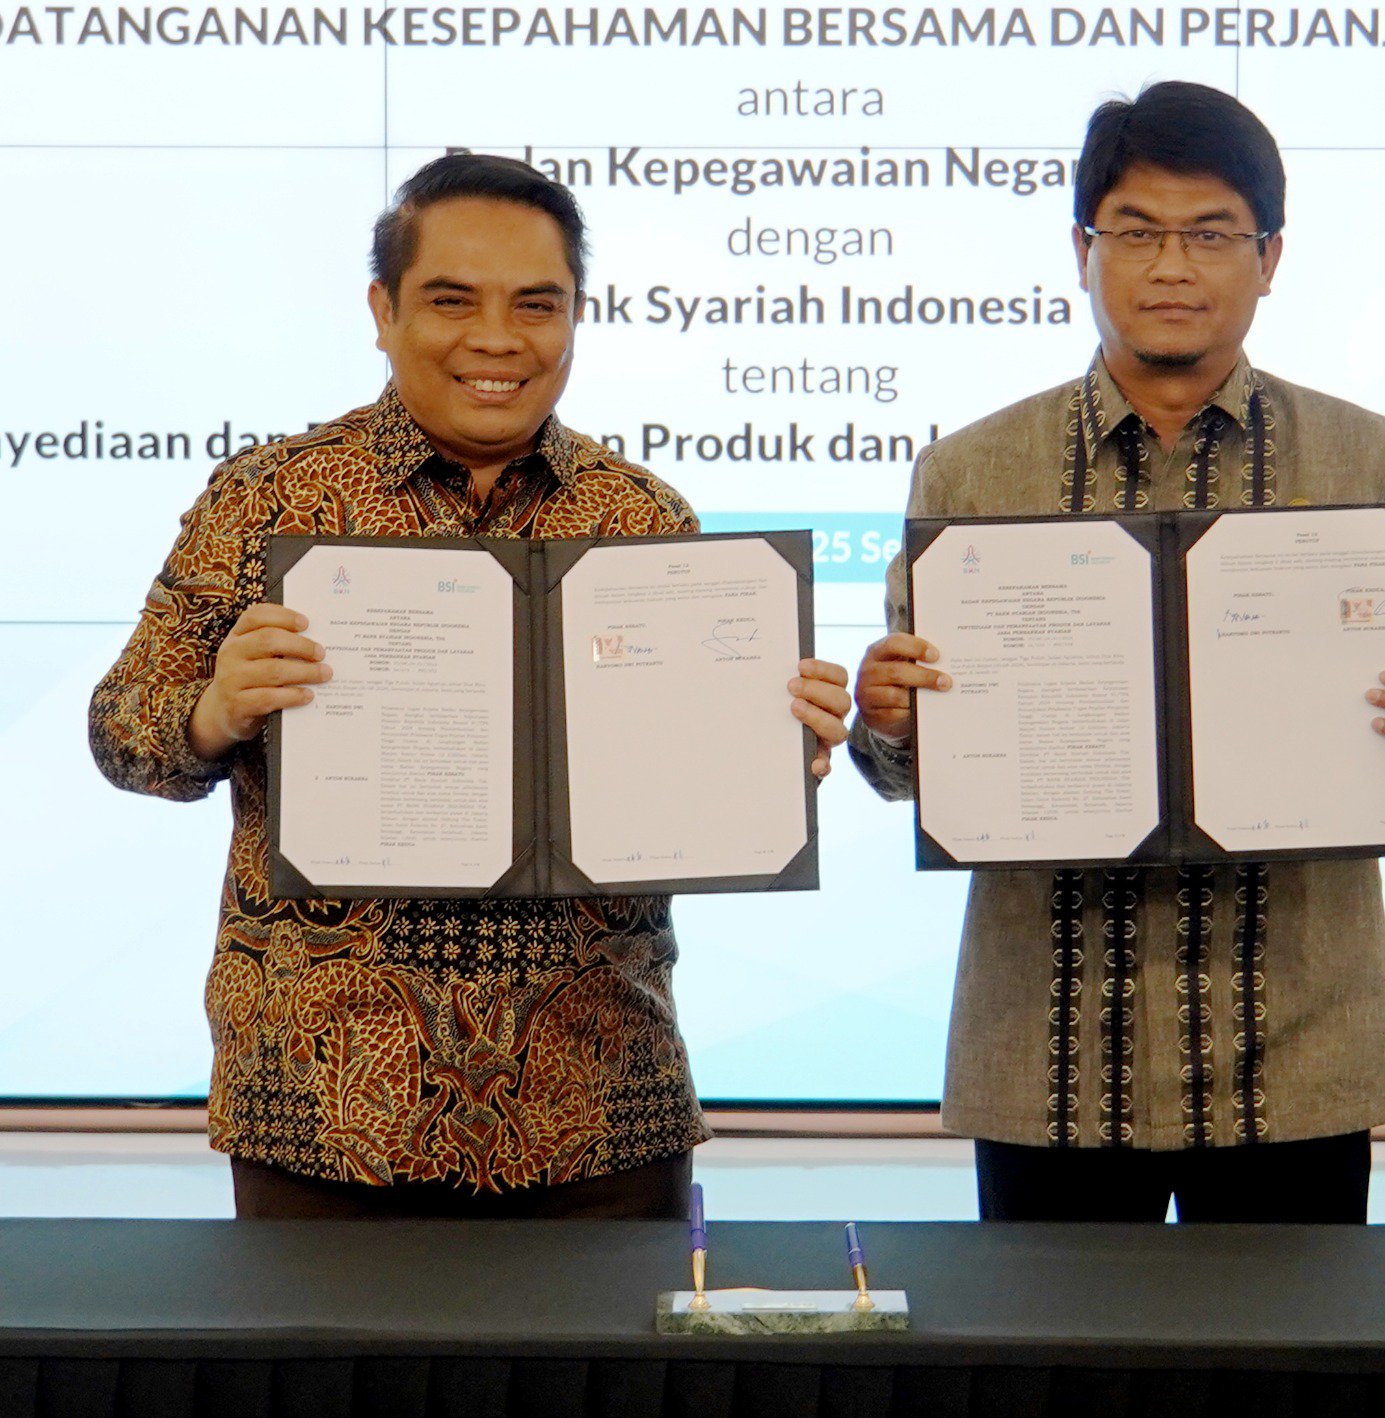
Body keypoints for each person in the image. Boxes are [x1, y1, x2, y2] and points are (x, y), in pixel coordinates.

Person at [91, 152, 854, 1220]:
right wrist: (214, 712)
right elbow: (122, 734)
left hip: (600, 1107)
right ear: (383, 310)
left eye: (536, 304)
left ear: (576, 316)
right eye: (453, 301)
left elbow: (690, 792)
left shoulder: (642, 516)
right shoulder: (267, 497)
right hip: (326, 1108)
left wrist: (769, 754)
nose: (498, 338)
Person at [847, 82, 1385, 1226]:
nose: (1170, 266)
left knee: (1285, 1345)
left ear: (1268, 256)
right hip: (1049, 1048)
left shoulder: (1376, 462)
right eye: (1136, 231)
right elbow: (905, 771)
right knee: (1048, 1345)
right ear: (1081, 249)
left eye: (1209, 234)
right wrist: (892, 724)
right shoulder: (972, 471)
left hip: (1295, 1048)